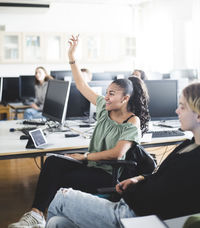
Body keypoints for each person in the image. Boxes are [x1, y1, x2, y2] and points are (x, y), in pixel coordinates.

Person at [8, 35, 150, 228]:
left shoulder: (132, 121)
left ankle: (41, 217)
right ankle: (36, 216)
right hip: (92, 165)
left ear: (125, 99)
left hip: (107, 174)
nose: (105, 97)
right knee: (52, 162)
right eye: (106, 92)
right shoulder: (104, 106)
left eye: (111, 94)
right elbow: (82, 85)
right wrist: (72, 57)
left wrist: (84, 157)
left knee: (57, 179)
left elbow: (118, 153)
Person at [44, 82, 200, 228]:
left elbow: (173, 200)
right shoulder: (189, 145)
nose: (176, 111)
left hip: (134, 215)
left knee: (61, 198)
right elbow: (163, 178)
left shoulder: (195, 159)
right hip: (129, 203)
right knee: (58, 222)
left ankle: (36, 217)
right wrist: (140, 178)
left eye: (182, 107)